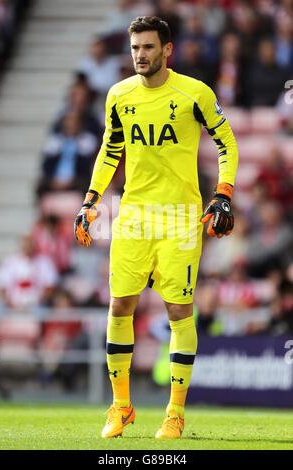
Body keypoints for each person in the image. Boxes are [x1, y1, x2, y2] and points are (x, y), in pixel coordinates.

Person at [74, 16, 238, 439]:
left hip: (182, 217)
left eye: (148, 47)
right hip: (132, 215)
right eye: (134, 49)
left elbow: (227, 141)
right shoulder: (118, 95)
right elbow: (111, 151)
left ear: (167, 50)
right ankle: (121, 406)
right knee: (119, 306)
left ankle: (175, 412)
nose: (140, 55)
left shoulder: (194, 93)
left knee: (179, 310)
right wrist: (91, 201)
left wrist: (223, 192)